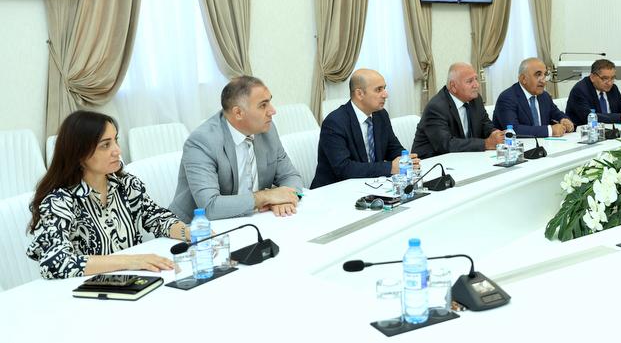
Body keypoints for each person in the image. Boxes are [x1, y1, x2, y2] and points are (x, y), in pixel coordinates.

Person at [27, 110, 189, 279]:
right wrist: (130, 261)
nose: (117, 150)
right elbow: (55, 263)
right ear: (79, 153)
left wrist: (192, 233)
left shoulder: (126, 184)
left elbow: (158, 219)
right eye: (105, 145)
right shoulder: (58, 201)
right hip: (88, 287)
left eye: (115, 140)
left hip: (132, 280)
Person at [169, 76, 302, 222]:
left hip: (253, 221)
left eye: (269, 102)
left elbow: (291, 176)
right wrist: (266, 197)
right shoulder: (202, 141)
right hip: (197, 228)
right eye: (263, 105)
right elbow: (210, 207)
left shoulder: (266, 129)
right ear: (238, 113)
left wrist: (284, 200)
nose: (272, 111)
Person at [312, 69, 419, 189]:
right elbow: (344, 169)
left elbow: (392, 148)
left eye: (384, 88)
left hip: (370, 186)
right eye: (378, 90)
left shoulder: (381, 115)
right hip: (333, 191)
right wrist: (390, 167)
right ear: (359, 94)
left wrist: (407, 161)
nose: (385, 95)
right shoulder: (334, 122)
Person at [412, 62, 504, 159]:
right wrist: (486, 144)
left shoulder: (475, 100)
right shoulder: (436, 108)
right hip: (432, 162)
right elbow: (446, 145)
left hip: (464, 158)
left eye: (476, 79)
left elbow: (485, 125)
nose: (476, 85)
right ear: (453, 86)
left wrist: (497, 135)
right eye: (470, 81)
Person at [493, 57, 575, 137]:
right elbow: (513, 130)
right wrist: (550, 130)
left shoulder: (544, 96)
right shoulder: (507, 98)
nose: (543, 80)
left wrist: (564, 120)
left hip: (545, 143)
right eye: (538, 75)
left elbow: (557, 114)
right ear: (523, 79)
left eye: (545, 74)